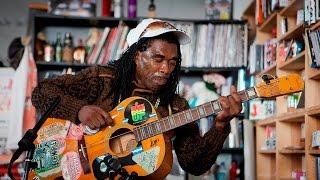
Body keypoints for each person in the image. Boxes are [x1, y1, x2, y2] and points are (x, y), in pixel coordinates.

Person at [31, 18, 242, 178]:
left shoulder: (175, 107)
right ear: (136, 55)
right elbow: (42, 92)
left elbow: (194, 164)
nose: (166, 68)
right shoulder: (102, 80)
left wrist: (220, 126)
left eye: (172, 62)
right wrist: (79, 111)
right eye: (158, 58)